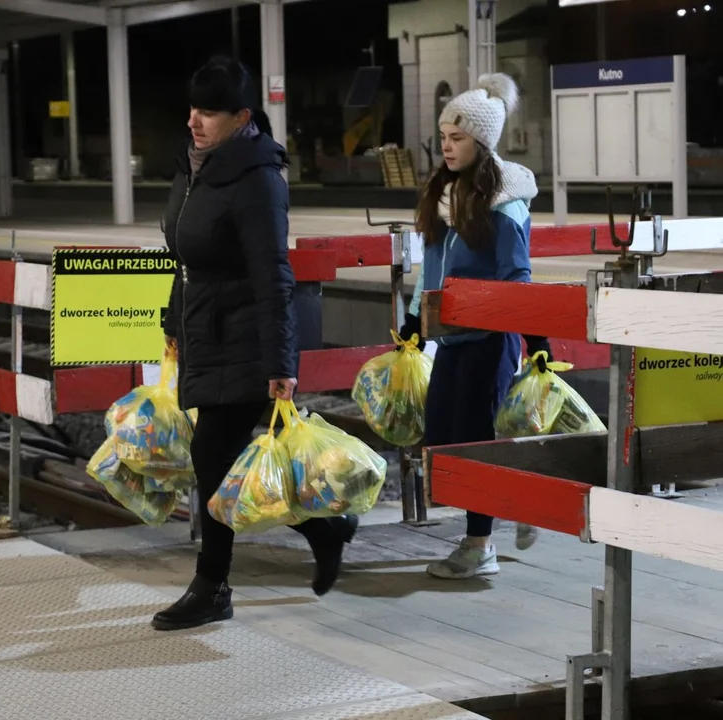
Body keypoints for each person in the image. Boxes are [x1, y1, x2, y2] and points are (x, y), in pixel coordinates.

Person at [152, 56, 359, 631]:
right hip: (205, 333)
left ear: (243, 116)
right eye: (192, 108)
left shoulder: (256, 176)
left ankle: (212, 585)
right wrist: (172, 324)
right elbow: (185, 259)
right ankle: (325, 528)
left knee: (213, 462)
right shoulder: (194, 167)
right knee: (228, 465)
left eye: (209, 112)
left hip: (244, 338)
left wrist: (281, 362)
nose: (194, 120)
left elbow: (273, 274)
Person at [399, 73, 552, 580]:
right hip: (452, 336)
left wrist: (536, 338)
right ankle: (518, 500)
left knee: (474, 438)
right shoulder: (445, 193)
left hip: (491, 339)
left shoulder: (502, 203)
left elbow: (517, 275)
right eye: (443, 136)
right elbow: (432, 265)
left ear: (482, 142)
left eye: (457, 137)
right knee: (444, 434)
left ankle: (479, 543)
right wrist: (415, 321)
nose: (446, 145)